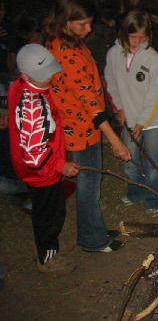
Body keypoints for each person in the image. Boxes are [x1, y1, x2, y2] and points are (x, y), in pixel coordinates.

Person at [46, 0, 130, 253]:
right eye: (82, 24)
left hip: (86, 127)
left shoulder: (71, 42)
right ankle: (93, 240)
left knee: (90, 185)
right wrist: (115, 140)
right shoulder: (65, 53)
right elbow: (90, 105)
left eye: (90, 23)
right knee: (89, 188)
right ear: (65, 22)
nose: (89, 29)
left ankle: (93, 230)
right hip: (80, 131)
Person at [8, 44, 80, 272]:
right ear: (25, 75)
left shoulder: (21, 87)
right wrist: (60, 165)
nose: (49, 77)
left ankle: (46, 247)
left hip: (43, 168)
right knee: (49, 214)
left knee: (46, 209)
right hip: (42, 173)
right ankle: (47, 257)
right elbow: (34, 154)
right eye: (43, 75)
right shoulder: (32, 106)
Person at [105, 11, 158, 217]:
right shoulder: (114, 54)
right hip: (127, 119)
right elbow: (111, 82)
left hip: (151, 120)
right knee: (129, 159)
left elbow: (155, 95)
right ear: (124, 33)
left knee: (153, 161)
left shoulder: (154, 60)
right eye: (133, 37)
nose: (137, 41)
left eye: (142, 37)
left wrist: (142, 123)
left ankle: (157, 198)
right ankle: (137, 191)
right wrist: (119, 109)